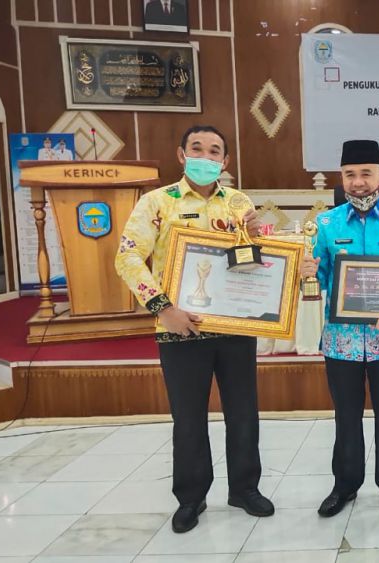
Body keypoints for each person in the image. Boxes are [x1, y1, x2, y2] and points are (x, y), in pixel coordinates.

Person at [115, 125, 274, 533]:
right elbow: (127, 258)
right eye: (197, 148)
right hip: (180, 327)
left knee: (244, 413)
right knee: (188, 419)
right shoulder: (157, 202)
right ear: (182, 155)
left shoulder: (238, 202)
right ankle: (191, 497)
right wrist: (163, 308)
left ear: (225, 161)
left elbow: (250, 263)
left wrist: (257, 240)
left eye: (214, 151)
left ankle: (245, 488)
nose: (206, 156)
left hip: (234, 325)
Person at [299, 139, 379, 519]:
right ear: (342, 178)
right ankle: (345, 485)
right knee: (346, 416)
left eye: (366, 173)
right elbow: (321, 280)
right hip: (342, 342)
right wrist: (307, 274)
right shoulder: (326, 224)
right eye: (350, 174)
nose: (358, 182)